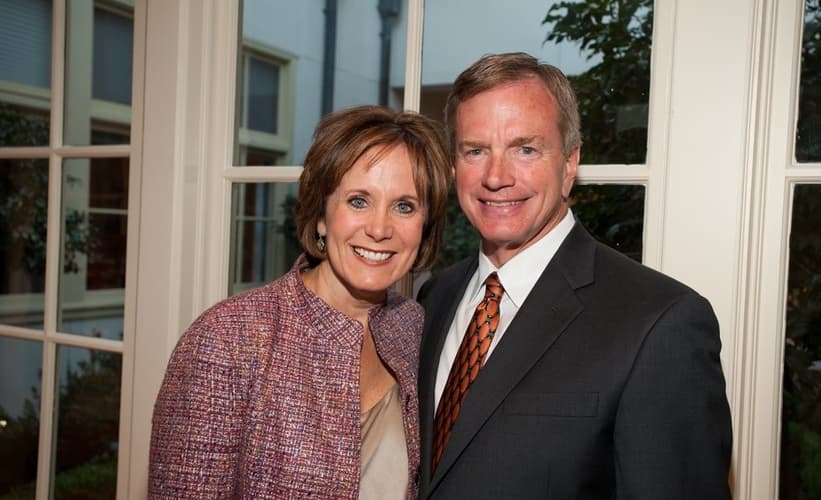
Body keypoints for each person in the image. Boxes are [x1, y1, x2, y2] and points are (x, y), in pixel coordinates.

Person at [417, 52, 732, 499]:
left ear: (569, 163)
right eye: (476, 151)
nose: (496, 176)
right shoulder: (435, 297)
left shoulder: (660, 323)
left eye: (525, 149)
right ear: (453, 166)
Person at [148, 105, 451, 499]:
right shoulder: (228, 339)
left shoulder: (412, 326)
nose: (379, 228)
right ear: (323, 215)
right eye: (359, 201)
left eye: (404, 206)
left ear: (424, 227)